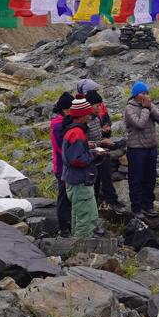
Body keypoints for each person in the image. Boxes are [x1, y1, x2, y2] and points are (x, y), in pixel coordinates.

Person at [123, 81, 159, 218]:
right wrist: (146, 109)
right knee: (137, 179)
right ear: (136, 95)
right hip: (136, 149)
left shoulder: (149, 105)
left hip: (151, 148)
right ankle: (137, 208)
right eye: (143, 93)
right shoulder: (129, 109)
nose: (146, 95)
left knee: (150, 178)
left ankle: (148, 205)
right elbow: (140, 124)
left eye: (147, 93)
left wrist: (151, 108)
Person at [61, 97, 102, 238]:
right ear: (81, 115)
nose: (91, 116)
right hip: (80, 182)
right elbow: (76, 159)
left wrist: (88, 148)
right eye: (88, 113)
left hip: (74, 180)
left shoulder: (73, 131)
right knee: (86, 218)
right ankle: (82, 253)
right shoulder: (77, 133)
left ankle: (76, 249)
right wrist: (94, 154)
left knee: (78, 215)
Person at [83, 86, 121, 210]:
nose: (99, 108)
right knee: (93, 181)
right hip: (91, 156)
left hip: (100, 153)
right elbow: (84, 142)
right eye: (97, 106)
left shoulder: (96, 118)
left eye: (100, 105)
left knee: (107, 177)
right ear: (89, 105)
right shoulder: (85, 121)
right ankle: (93, 206)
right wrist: (100, 144)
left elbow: (97, 135)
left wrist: (104, 135)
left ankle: (112, 201)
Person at [48, 91, 75, 236]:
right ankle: (64, 227)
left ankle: (68, 224)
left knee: (67, 195)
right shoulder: (59, 125)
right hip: (62, 166)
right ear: (65, 109)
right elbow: (62, 147)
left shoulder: (62, 122)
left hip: (64, 165)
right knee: (64, 196)